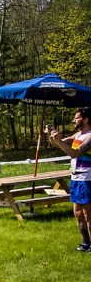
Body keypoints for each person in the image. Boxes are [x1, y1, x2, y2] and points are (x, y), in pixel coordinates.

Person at [48, 107, 91, 252]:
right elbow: (56, 144)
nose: (74, 120)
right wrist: (53, 136)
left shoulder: (90, 136)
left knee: (88, 214)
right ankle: (85, 242)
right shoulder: (78, 135)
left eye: (77, 118)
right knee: (78, 213)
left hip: (87, 178)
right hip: (76, 178)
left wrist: (60, 141)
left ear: (86, 120)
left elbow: (75, 153)